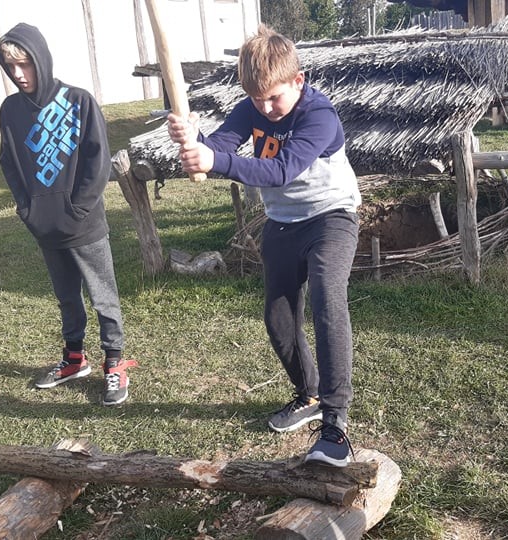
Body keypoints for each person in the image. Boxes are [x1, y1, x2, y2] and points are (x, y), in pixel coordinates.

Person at [167, 25, 361, 467]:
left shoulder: (319, 115)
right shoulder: (250, 108)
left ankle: (334, 424)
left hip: (330, 217)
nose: (266, 108)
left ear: (298, 80)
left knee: (328, 300)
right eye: (256, 99)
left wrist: (214, 160)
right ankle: (308, 395)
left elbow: (281, 171)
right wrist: (194, 141)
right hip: (283, 223)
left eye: (274, 98)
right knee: (278, 319)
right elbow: (220, 146)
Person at [0, 23, 137, 406]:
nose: (19, 74)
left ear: (40, 59)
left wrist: (77, 209)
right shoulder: (10, 110)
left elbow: (98, 161)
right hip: (44, 225)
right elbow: (9, 163)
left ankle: (114, 361)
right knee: (66, 298)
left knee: (103, 296)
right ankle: (75, 359)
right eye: (11, 67)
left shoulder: (79, 101)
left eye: (25, 64)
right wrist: (27, 209)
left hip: (85, 224)